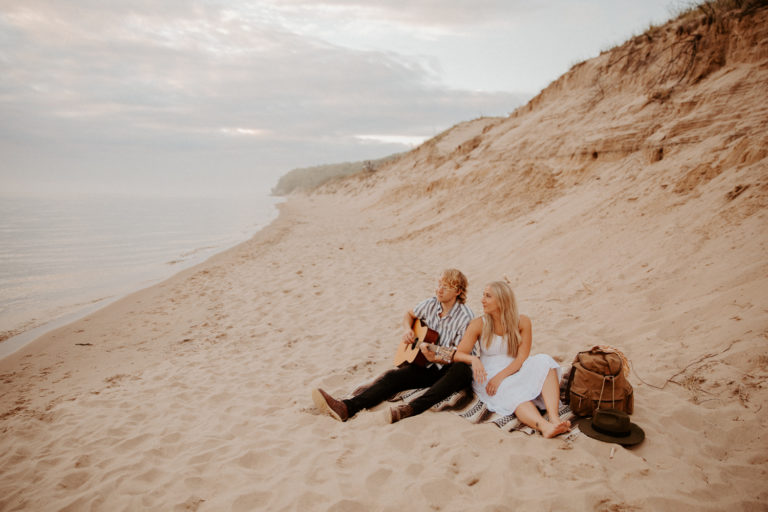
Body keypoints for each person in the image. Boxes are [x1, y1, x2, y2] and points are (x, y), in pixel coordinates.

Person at [312, 268, 475, 424]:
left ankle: (410, 409)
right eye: (439, 284)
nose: (439, 290)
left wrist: (439, 357)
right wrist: (407, 330)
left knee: (461, 369)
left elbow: (461, 354)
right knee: (392, 378)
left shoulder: (466, 317)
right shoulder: (431, 304)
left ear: (458, 292)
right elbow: (409, 315)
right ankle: (346, 407)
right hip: (427, 364)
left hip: (451, 366)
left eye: (446, 287)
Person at [453, 280, 571, 438]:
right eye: (483, 295)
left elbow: (522, 357)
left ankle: (554, 418)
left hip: (515, 367)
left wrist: (501, 376)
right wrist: (474, 360)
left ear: (502, 300)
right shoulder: (478, 324)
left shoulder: (522, 321)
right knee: (512, 390)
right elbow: (459, 354)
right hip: (489, 375)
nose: (482, 300)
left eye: (488, 296)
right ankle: (544, 426)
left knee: (545, 360)